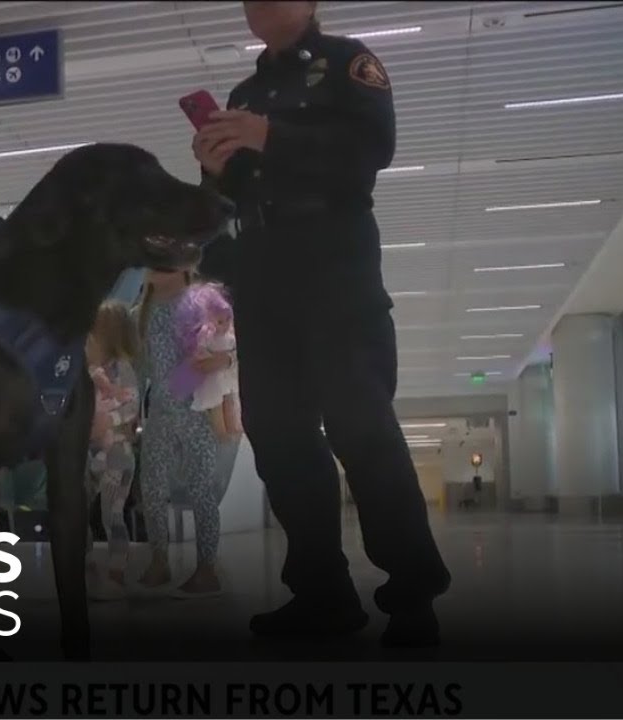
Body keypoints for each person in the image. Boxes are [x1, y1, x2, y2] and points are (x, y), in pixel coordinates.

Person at [191, 1, 450, 646]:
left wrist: (267, 136)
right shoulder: (244, 93)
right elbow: (231, 196)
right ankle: (322, 593)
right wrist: (218, 168)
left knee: (361, 425)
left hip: (336, 268)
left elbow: (372, 150)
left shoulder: (346, 63)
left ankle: (412, 591)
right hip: (263, 275)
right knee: (277, 435)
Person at [135, 269, 225, 598]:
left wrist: (224, 361)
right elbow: (140, 367)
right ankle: (159, 559)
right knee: (152, 487)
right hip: (160, 409)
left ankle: (206, 567)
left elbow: (227, 344)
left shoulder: (200, 302)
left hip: (195, 408)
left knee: (201, 487)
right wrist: (134, 409)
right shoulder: (142, 311)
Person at [84, 301, 140, 599]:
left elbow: (131, 407)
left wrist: (111, 421)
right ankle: (87, 561)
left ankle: (117, 568)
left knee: (112, 512)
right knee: (79, 507)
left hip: (117, 455)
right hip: (88, 451)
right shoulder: (87, 370)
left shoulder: (123, 370)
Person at [167, 282, 241, 438]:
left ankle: (232, 427)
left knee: (229, 400)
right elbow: (198, 361)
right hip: (211, 382)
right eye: (220, 321)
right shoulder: (204, 339)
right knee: (215, 405)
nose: (226, 324)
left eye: (228, 319)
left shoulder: (229, 336)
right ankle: (222, 432)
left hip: (224, 378)